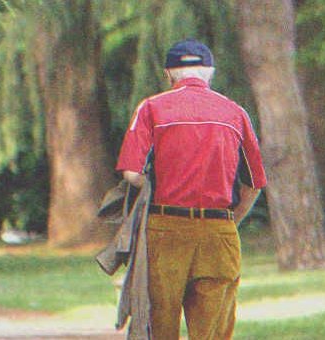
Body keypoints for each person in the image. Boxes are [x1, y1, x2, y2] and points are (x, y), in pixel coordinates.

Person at [115, 38, 267, 340]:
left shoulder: (151, 108)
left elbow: (131, 173)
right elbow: (254, 183)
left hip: (166, 230)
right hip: (218, 231)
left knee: (161, 321)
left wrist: (155, 187)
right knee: (213, 329)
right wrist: (230, 221)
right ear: (209, 73)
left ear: (169, 74)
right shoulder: (235, 113)